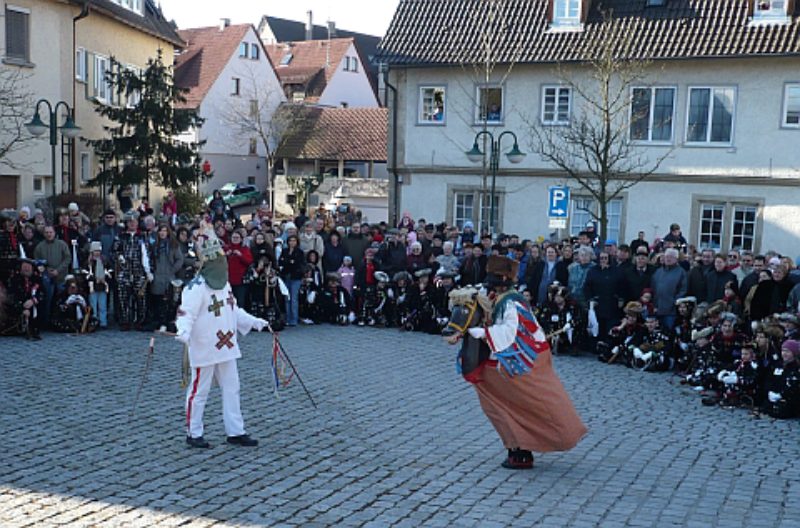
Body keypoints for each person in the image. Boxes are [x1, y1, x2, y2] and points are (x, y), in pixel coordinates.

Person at [460, 255, 587, 469]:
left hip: (523, 361)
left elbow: (511, 333)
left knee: (526, 403)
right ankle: (517, 447)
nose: (488, 284)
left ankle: (526, 447)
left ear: (501, 280)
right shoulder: (497, 297)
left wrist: (483, 333)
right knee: (499, 405)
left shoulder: (513, 303)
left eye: (492, 279)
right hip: (504, 361)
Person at [175, 227, 268, 448]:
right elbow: (185, 312)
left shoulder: (224, 285)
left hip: (226, 346)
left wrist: (254, 321)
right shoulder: (196, 288)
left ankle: (235, 431)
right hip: (205, 346)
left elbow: (232, 309)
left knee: (232, 387)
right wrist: (183, 330)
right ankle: (193, 432)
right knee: (200, 390)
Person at [113, 212, 152, 331]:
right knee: (123, 297)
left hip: (139, 271)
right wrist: (120, 259)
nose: (132, 224)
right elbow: (115, 251)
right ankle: (125, 321)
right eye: (129, 221)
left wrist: (148, 271)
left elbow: (148, 254)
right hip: (124, 272)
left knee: (141, 297)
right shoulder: (120, 236)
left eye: (134, 221)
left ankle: (140, 321)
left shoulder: (143, 236)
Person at [34, 225, 71, 327]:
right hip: (47, 277)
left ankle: (61, 320)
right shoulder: (39, 247)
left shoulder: (62, 244)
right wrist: (46, 270)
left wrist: (58, 270)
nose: (49, 234)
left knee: (62, 299)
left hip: (61, 277)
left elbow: (67, 259)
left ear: (54, 233)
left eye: (50, 232)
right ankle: (46, 322)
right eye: (47, 232)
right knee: (47, 299)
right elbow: (37, 262)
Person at [149, 224, 184, 331]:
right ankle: (159, 322)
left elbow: (179, 259)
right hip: (157, 276)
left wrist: (172, 270)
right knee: (158, 300)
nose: (162, 233)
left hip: (169, 277)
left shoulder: (173, 245)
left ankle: (168, 322)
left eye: (165, 231)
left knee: (169, 301)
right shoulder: (154, 245)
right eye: (161, 231)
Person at [651, 248, 687, 332]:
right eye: (666, 256)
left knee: (669, 333)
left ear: (676, 259)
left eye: (671, 257)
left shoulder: (681, 272)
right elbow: (653, 288)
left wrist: (674, 302)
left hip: (671, 312)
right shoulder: (658, 272)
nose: (668, 259)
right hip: (657, 309)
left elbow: (683, 290)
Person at [278, 234, 305, 327]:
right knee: (287, 298)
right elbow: (281, 262)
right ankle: (288, 318)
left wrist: (289, 262)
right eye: (290, 241)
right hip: (286, 276)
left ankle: (294, 319)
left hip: (296, 277)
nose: (292, 242)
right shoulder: (284, 251)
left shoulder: (299, 252)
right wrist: (289, 261)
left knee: (294, 298)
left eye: (294, 241)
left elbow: (298, 263)